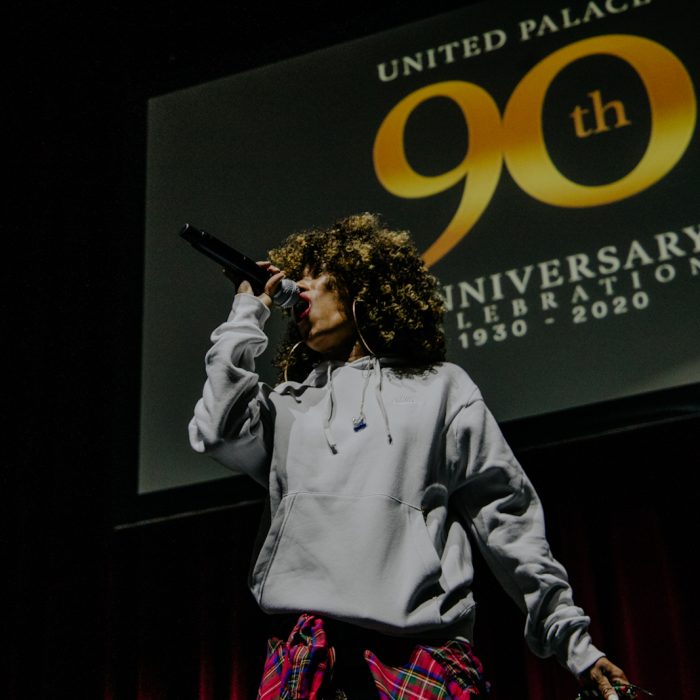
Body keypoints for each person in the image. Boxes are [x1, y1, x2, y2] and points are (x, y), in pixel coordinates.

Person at [189, 213, 633, 699]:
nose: (300, 287)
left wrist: (574, 644)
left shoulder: (442, 387)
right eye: (300, 276)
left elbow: (507, 518)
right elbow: (217, 431)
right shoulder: (287, 405)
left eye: (317, 275)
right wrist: (246, 312)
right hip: (308, 650)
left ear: (363, 287)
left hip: (420, 650)